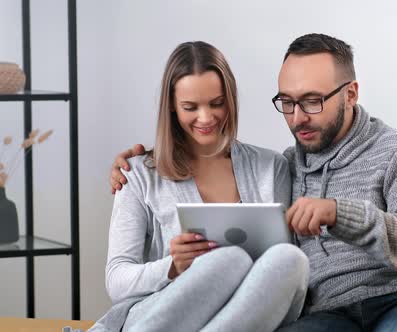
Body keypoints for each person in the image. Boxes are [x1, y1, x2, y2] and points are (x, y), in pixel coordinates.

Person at [111, 34, 397, 332]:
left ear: (351, 94)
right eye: (287, 102)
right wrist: (138, 167)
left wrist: (342, 213)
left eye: (312, 101)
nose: (297, 117)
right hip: (330, 313)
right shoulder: (289, 165)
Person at [92, 41, 309, 332]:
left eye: (216, 103)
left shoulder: (272, 168)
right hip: (164, 315)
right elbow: (117, 281)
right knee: (226, 260)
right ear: (171, 105)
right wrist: (173, 266)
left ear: (230, 99)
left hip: (249, 314)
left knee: (291, 258)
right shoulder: (138, 175)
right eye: (190, 107)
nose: (206, 118)